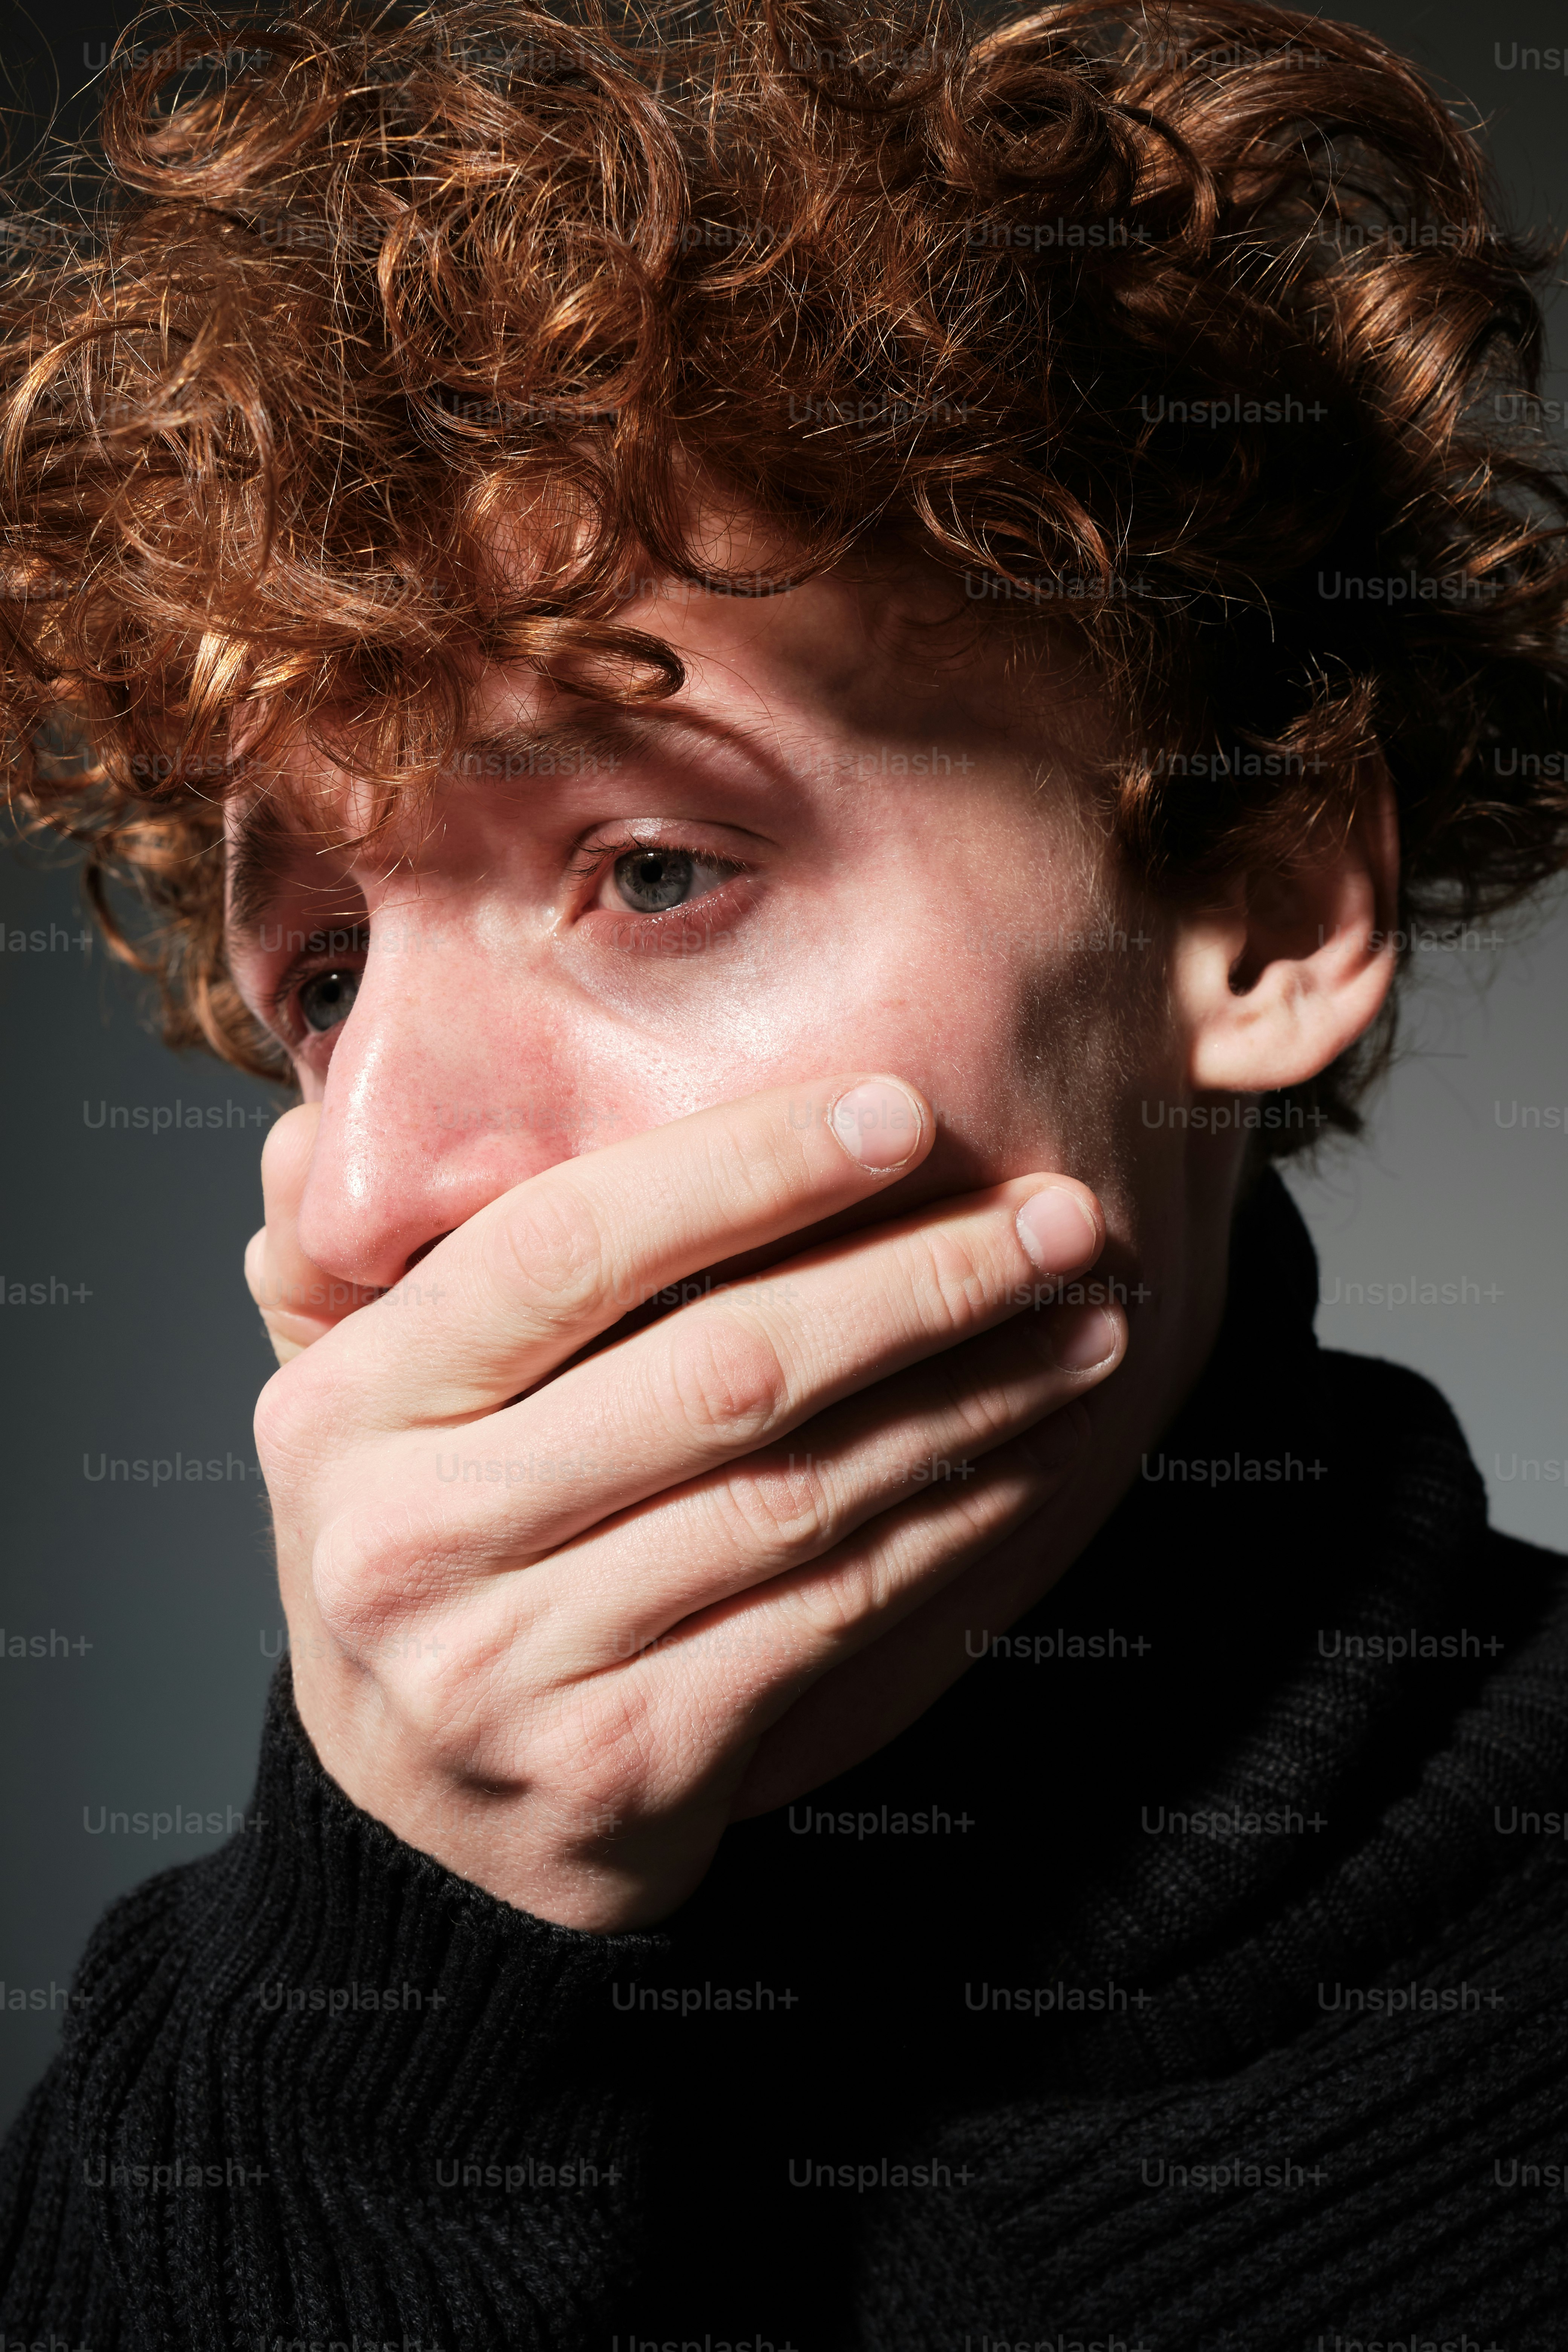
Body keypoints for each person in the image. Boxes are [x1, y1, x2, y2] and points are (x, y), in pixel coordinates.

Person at [4, 0, 1568, 2340]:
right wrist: (379, 2005)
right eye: (321, 976)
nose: (360, 1198)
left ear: (1262, 914)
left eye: (649, 870)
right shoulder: (209, 2099)